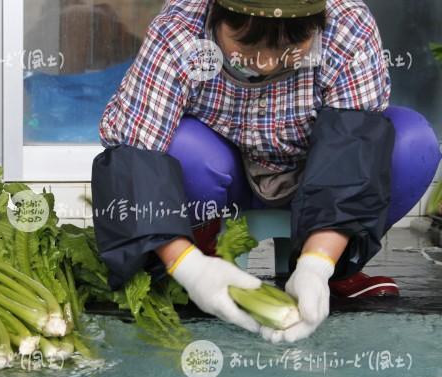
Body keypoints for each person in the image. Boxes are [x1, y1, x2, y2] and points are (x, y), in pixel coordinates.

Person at [90, 0, 441, 343]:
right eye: (246, 44)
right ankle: (205, 258)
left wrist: (317, 265)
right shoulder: (180, 30)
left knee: (411, 145)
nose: (267, 63)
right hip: (228, 178)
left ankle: (332, 268)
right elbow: (134, 155)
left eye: (290, 46)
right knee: (183, 148)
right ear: (216, 13)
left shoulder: (347, 26)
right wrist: (188, 266)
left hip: (317, 170)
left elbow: (354, 151)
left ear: (319, 21)